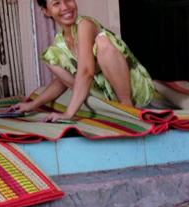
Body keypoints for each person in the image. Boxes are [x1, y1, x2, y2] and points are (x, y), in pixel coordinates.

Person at [12, 0, 153, 122]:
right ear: (47, 11)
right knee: (50, 57)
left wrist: (68, 113)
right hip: (106, 96)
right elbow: (62, 81)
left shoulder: (85, 24)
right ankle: (103, 106)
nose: (65, 7)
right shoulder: (59, 42)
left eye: (68, 0)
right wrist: (33, 104)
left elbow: (86, 72)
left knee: (102, 43)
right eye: (56, 3)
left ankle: (127, 106)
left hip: (135, 90)